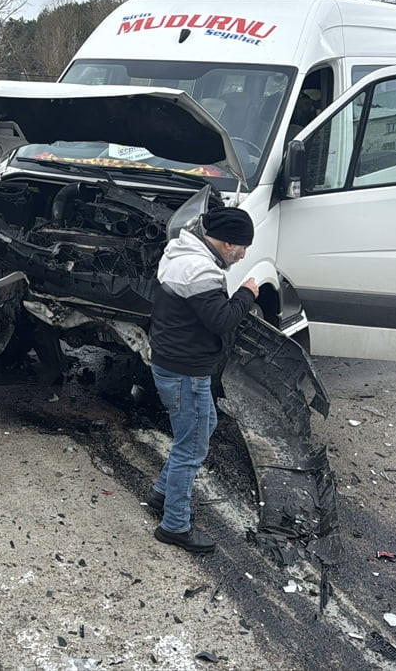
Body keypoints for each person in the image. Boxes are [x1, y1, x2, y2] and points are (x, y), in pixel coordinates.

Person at [146, 208, 258, 554]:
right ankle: (175, 526)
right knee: (191, 449)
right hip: (185, 371)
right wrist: (247, 294)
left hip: (174, 362)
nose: (243, 254)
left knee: (201, 428)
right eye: (242, 247)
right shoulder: (199, 270)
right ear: (226, 243)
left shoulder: (183, 252)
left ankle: (161, 493)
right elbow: (221, 320)